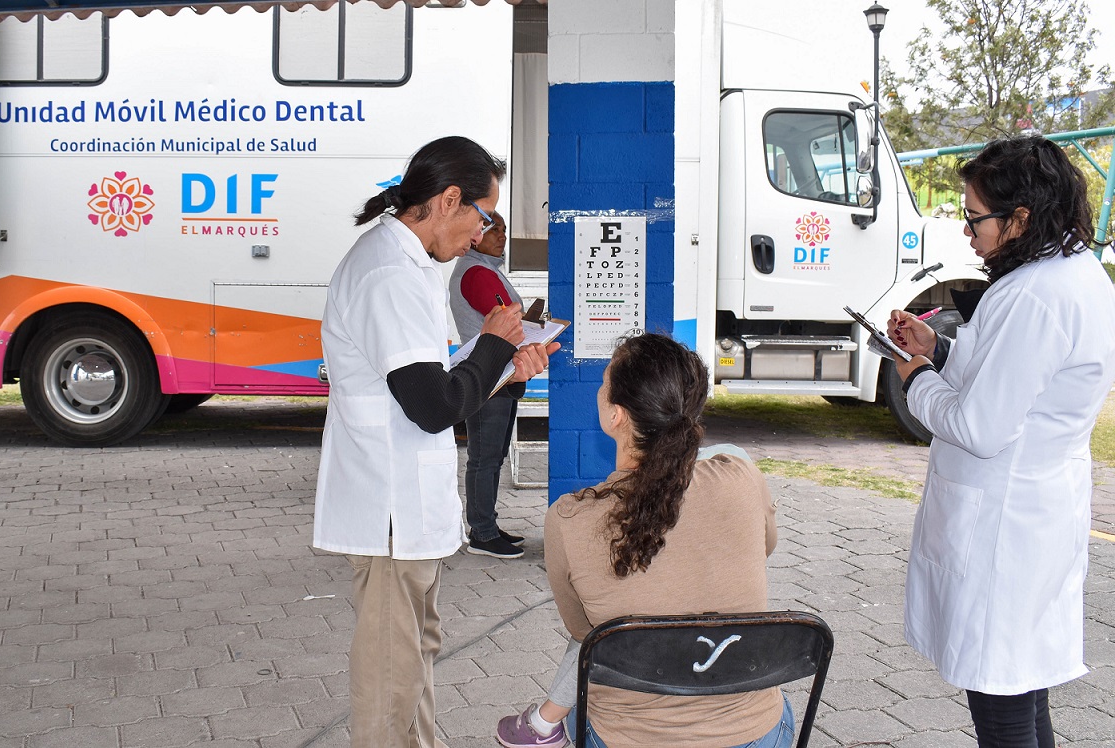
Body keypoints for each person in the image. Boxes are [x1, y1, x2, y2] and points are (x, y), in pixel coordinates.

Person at [312, 135, 558, 748]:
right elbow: (432, 407)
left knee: (414, 658)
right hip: (389, 505)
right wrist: (498, 343)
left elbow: (434, 382)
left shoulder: (405, 266)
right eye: (484, 215)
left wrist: (507, 367)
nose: (481, 233)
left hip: (403, 503)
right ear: (450, 200)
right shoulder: (388, 273)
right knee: (391, 678)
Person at [886, 135, 1115, 748]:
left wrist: (916, 379)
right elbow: (1014, 379)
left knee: (1003, 704)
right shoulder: (1076, 274)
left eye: (975, 218)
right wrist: (939, 349)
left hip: (1005, 525)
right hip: (1035, 510)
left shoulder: (1035, 297)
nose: (967, 232)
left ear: (1020, 218)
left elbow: (981, 427)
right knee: (1023, 685)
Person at [497, 334, 794, 748]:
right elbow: (764, 546)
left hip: (630, 737)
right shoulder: (741, 477)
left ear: (616, 415)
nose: (599, 391)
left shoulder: (569, 520)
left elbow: (585, 632)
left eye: (603, 383)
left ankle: (544, 725)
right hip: (756, 734)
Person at [449, 209, 528, 559]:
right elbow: (507, 318)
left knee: (493, 455)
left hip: (499, 373)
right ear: (477, 232)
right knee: (484, 457)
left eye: (505, 230)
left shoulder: (486, 269)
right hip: (486, 375)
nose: (502, 237)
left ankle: (488, 524)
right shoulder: (477, 273)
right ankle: (481, 532)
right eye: (494, 229)